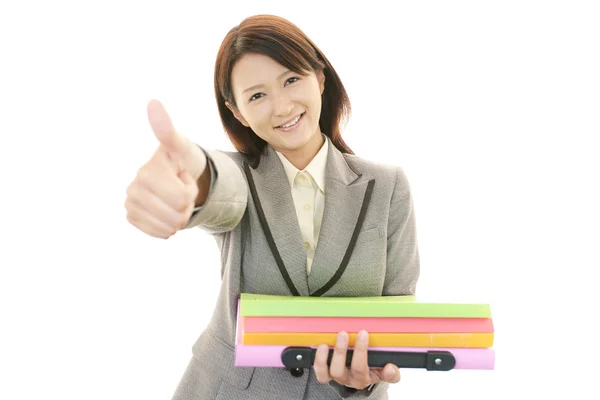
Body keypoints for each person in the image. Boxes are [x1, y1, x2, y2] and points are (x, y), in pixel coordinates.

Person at [125, 14, 420, 400]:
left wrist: (368, 378)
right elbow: (218, 188)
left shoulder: (387, 186)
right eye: (257, 95)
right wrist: (191, 174)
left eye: (291, 80)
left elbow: (399, 312)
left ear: (320, 77)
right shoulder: (238, 177)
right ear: (238, 112)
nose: (281, 107)